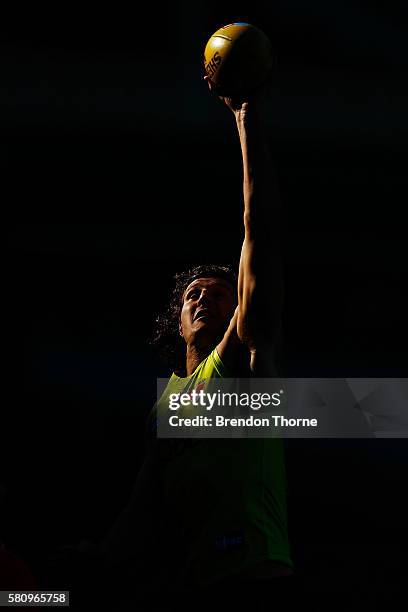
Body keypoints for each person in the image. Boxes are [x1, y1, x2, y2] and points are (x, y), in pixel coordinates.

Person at [101, 77, 294, 611]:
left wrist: (245, 117)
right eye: (193, 295)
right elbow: (143, 513)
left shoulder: (242, 363)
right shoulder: (162, 410)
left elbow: (262, 232)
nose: (205, 299)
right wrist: (95, 562)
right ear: (178, 322)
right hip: (193, 587)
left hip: (258, 583)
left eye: (220, 294)